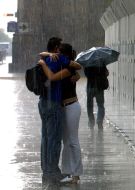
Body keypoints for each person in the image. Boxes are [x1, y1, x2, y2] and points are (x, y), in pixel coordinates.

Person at [37, 37, 81, 185]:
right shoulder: (55, 61)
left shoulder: (66, 66)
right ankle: (58, 172)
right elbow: (42, 54)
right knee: (58, 141)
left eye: (59, 52)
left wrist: (44, 62)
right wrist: (47, 57)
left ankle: (71, 173)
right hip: (57, 106)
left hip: (66, 106)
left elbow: (52, 75)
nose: (56, 53)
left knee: (63, 140)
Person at [84, 65, 109, 129]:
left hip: (90, 87)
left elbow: (86, 74)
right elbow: (106, 73)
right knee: (100, 105)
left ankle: (91, 122)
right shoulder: (101, 61)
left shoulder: (88, 62)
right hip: (99, 87)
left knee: (89, 106)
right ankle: (99, 121)